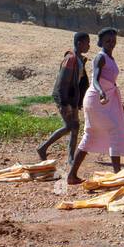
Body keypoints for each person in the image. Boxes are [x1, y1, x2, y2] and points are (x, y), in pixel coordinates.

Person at [67, 28, 124, 184]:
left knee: (92, 134)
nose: (111, 43)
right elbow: (95, 79)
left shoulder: (110, 58)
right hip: (97, 99)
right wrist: (101, 92)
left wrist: (121, 104)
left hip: (107, 99)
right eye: (108, 41)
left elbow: (112, 82)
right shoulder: (100, 58)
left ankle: (72, 175)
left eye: (113, 40)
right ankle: (117, 173)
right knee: (113, 129)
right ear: (101, 42)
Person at [39, 32, 89, 162]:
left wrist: (77, 101)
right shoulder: (70, 59)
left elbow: (79, 82)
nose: (89, 46)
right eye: (87, 43)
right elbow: (62, 83)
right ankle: (43, 148)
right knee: (69, 126)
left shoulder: (79, 59)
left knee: (75, 126)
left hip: (72, 97)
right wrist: (64, 103)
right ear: (79, 43)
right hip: (65, 98)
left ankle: (71, 157)